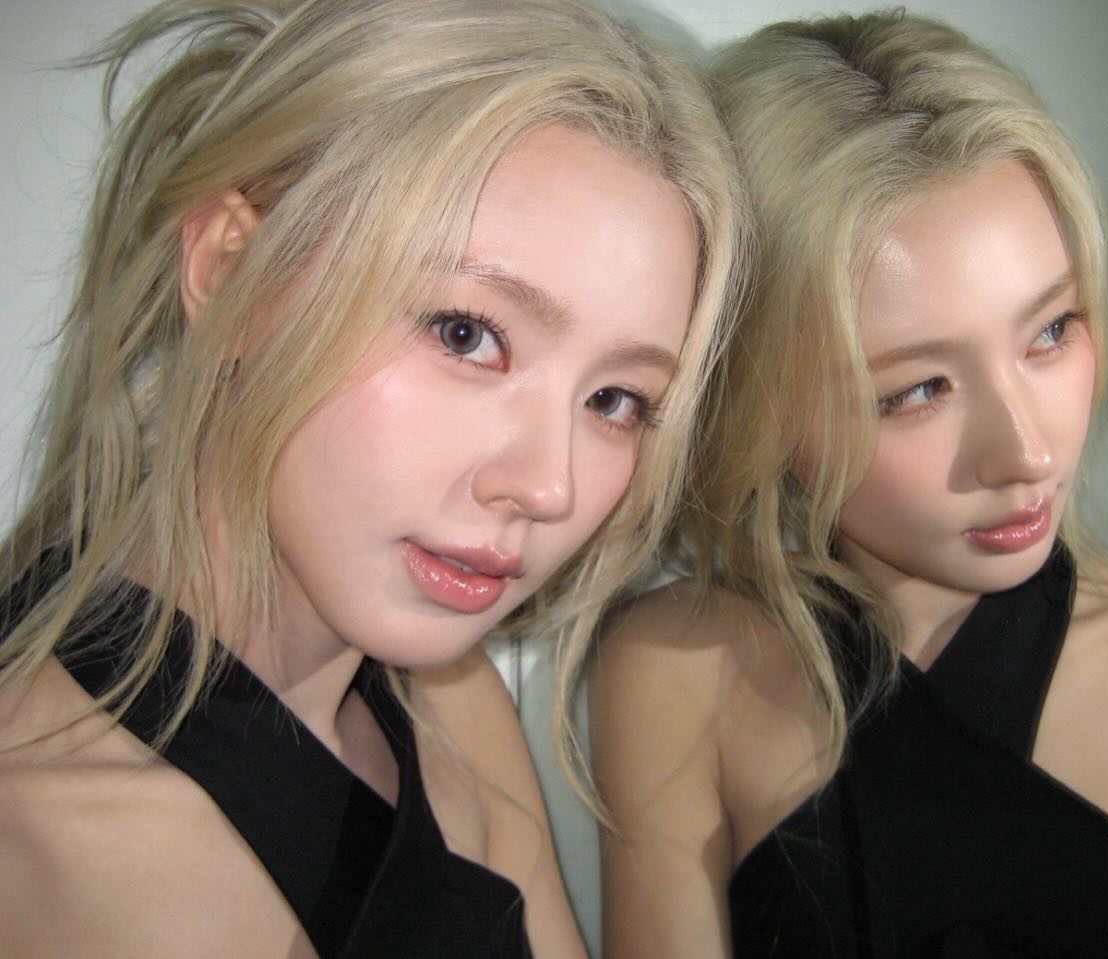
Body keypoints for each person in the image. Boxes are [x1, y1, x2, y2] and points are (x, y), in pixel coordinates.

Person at [0, 0, 747, 956]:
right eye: (466, 334)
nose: (548, 487)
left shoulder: (451, 702)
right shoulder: (49, 855)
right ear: (231, 270)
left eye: (615, 399)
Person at [593, 10, 1108, 958]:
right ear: (753, 402)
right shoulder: (674, 672)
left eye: (1052, 331)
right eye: (916, 389)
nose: (1027, 452)